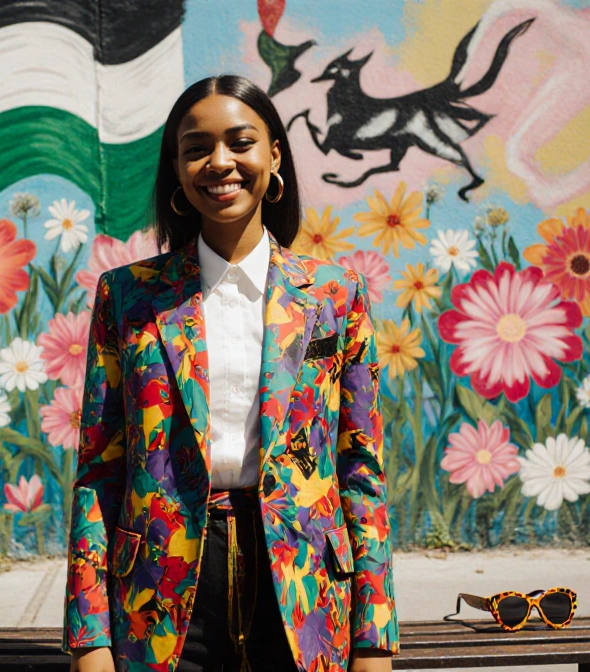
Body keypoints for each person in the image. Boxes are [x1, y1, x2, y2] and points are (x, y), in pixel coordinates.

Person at [64, 75, 399, 672]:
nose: (220, 162)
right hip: (160, 590)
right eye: (197, 147)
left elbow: (361, 470)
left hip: (304, 586)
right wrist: (89, 642)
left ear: (274, 157)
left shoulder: (332, 295)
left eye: (240, 142)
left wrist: (374, 640)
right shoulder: (128, 297)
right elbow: (99, 471)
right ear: (177, 169)